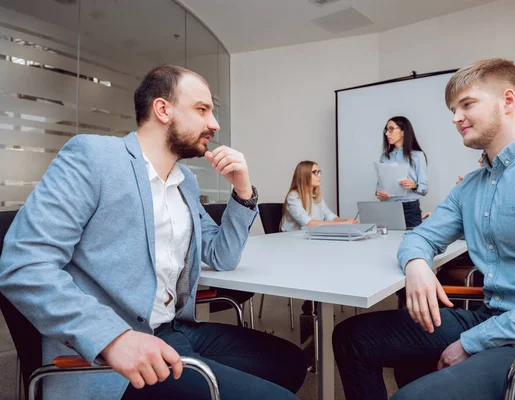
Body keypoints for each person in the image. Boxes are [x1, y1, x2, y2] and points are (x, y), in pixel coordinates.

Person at [0, 65, 306, 400]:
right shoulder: (96, 157)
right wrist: (113, 338)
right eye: (202, 109)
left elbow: (223, 256)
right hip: (120, 349)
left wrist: (243, 192)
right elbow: (23, 265)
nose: (214, 124)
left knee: (291, 362)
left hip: (175, 329)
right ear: (163, 109)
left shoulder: (185, 181)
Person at [332, 58, 515, 400]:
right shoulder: (471, 186)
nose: (455, 118)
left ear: (508, 101)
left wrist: (470, 343)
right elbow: (421, 236)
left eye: (467, 104)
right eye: (452, 109)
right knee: (353, 336)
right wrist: (416, 264)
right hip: (492, 318)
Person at [375, 116, 428, 228]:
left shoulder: (417, 156)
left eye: (391, 129)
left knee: (413, 242)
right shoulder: (385, 157)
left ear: (403, 132)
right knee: (387, 242)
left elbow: (424, 189)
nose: (387, 134)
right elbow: (379, 185)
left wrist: (414, 186)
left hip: (410, 208)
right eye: (386, 130)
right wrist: (378, 193)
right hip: (388, 207)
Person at [280, 160, 358, 231]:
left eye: (319, 172)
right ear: (304, 175)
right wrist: (343, 224)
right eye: (314, 172)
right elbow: (308, 223)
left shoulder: (316, 196)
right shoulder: (293, 196)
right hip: (292, 239)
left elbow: (330, 217)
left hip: (309, 237)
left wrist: (348, 221)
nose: (319, 176)